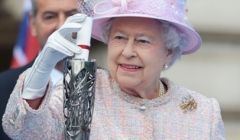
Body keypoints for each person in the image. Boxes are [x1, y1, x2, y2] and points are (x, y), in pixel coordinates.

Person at [2, 0, 225, 139]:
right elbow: (24, 131)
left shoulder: (202, 112)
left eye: (143, 41)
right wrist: (42, 67)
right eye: (119, 38)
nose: (127, 51)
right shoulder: (84, 88)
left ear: (169, 51)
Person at [0, 0, 79, 139]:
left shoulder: (108, 85)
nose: (62, 25)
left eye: (72, 16)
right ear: (33, 24)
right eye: (50, 16)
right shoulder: (3, 86)